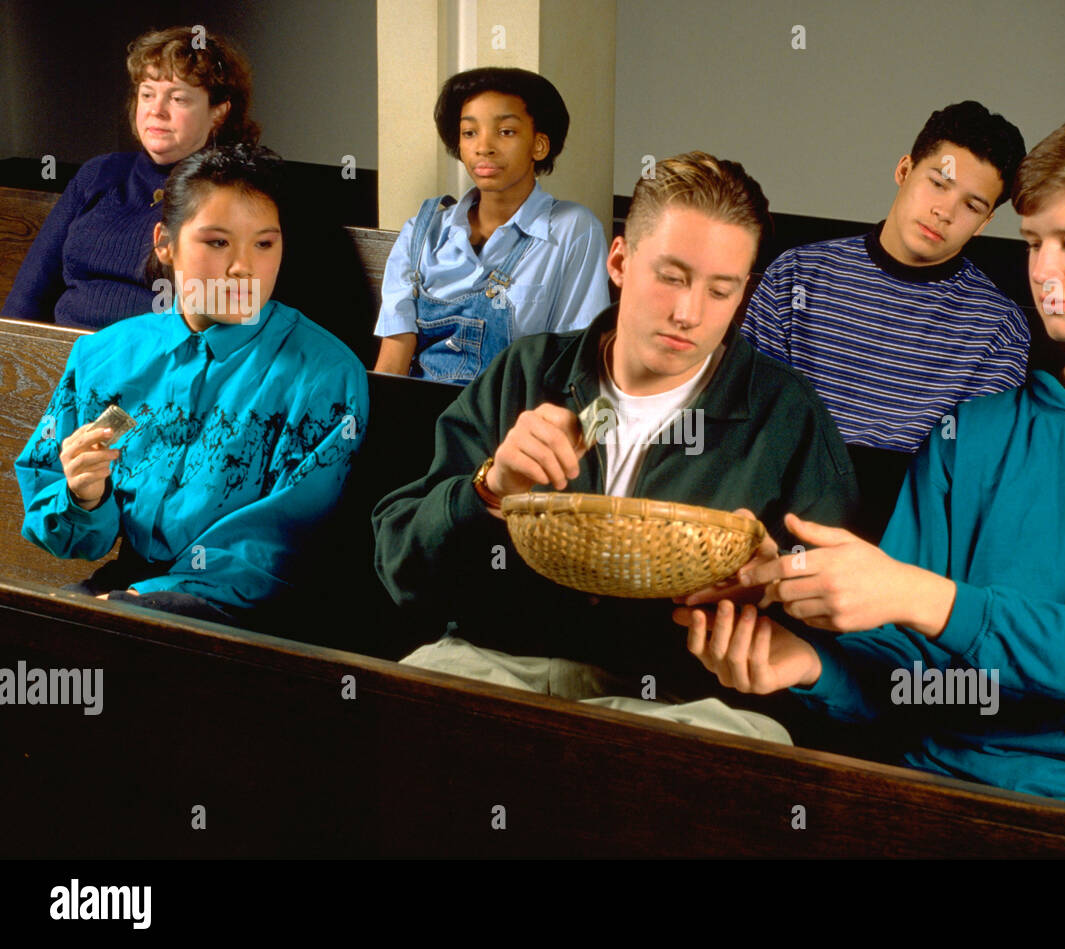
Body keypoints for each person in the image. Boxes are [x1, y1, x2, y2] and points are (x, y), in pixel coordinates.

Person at [678, 116, 1065, 833]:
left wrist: (921, 593)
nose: (1045, 271)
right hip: (940, 790)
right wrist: (808, 664)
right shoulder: (969, 431)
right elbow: (908, 679)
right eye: (1034, 242)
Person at [373, 152, 859, 741]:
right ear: (621, 259)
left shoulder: (787, 418)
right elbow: (399, 572)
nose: (688, 314)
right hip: (494, 668)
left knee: (749, 747)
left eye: (720, 290)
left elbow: (841, 649)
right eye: (672, 276)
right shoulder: (526, 372)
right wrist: (488, 489)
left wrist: (773, 593)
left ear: (744, 295)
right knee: (392, 708)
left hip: (681, 704)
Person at [14, 144, 369, 629]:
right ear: (165, 243)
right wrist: (85, 497)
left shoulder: (324, 373)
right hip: (124, 590)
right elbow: (60, 528)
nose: (243, 267)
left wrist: (141, 599)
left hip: (254, 613)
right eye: (217, 243)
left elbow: (278, 544)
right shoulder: (104, 356)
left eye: (264, 244)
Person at [742, 101, 1029, 454]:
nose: (944, 212)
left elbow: (976, 466)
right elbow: (749, 425)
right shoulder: (795, 276)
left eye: (971, 206)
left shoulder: (998, 327)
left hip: (920, 506)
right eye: (938, 184)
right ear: (905, 170)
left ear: (984, 223)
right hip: (781, 498)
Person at [2, 26, 259, 328]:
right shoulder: (99, 173)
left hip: (154, 365)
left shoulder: (231, 194)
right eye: (147, 94)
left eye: (178, 99)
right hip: (63, 360)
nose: (156, 111)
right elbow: (27, 297)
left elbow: (220, 328)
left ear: (218, 112)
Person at [372, 67, 609, 383]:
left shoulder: (572, 230)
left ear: (539, 145)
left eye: (506, 132)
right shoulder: (421, 233)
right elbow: (393, 363)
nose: (484, 147)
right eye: (470, 133)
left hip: (513, 423)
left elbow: (575, 361)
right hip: (419, 416)